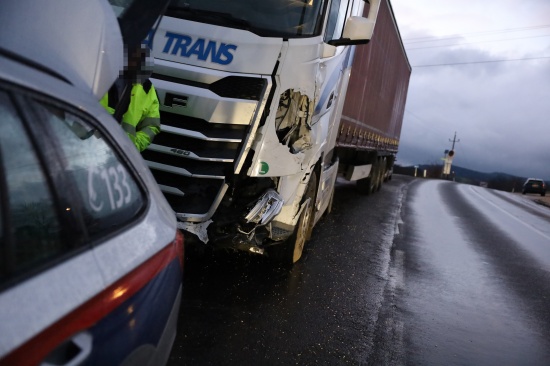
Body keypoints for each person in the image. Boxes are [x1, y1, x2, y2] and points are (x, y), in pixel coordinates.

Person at [100, 45, 160, 152]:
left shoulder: (147, 88)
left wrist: (134, 146)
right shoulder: (102, 75)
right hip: (89, 147)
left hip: (121, 154)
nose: (135, 63)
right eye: (133, 58)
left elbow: (151, 126)